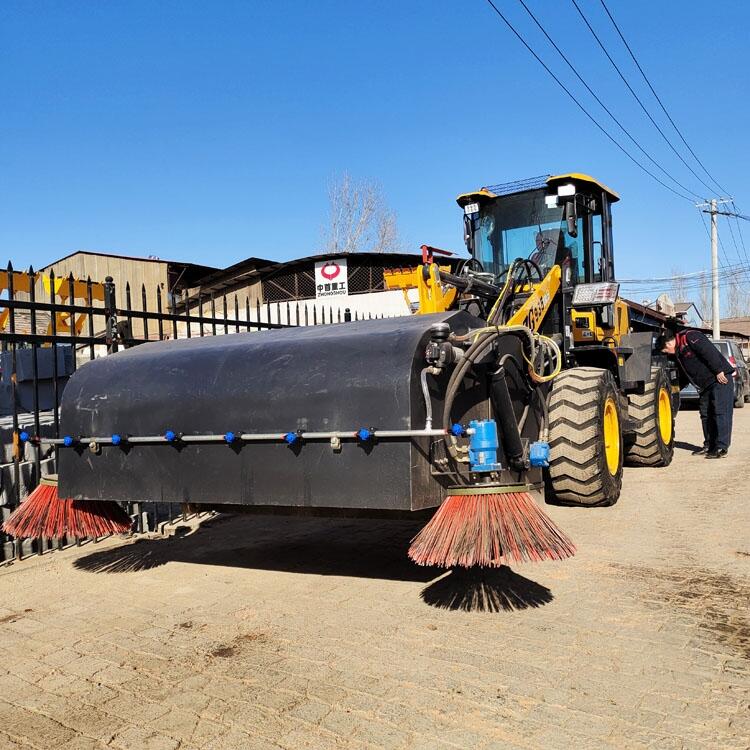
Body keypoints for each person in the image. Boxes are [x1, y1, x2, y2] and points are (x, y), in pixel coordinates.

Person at [658, 328, 736, 458]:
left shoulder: (690, 337)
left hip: (720, 378)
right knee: (705, 414)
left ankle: (721, 447)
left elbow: (708, 352)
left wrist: (718, 370)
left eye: (666, 351)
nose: (668, 353)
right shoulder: (678, 352)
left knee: (720, 412)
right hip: (705, 385)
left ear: (669, 344)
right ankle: (709, 445)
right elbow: (684, 375)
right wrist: (672, 390)